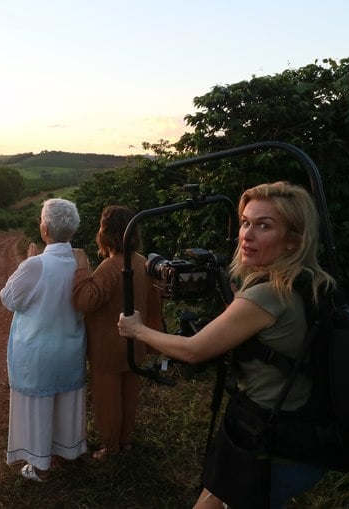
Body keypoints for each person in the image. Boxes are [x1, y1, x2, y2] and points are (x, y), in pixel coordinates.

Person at [117, 182, 336, 508]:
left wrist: (138, 330)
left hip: (274, 445)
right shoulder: (309, 279)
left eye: (265, 225)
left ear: (294, 240)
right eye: (246, 222)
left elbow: (193, 350)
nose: (247, 234)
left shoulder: (266, 294)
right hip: (298, 432)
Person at [0, 198, 89, 482]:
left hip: (38, 353)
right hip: (71, 348)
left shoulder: (35, 265)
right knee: (64, 403)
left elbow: (9, 299)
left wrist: (27, 264)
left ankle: (39, 465)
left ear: (44, 229)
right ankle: (64, 453)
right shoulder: (81, 264)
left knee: (39, 409)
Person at [71, 205, 162, 461]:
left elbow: (86, 301)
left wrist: (81, 270)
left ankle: (111, 449)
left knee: (108, 401)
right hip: (136, 344)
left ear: (106, 233)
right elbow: (155, 305)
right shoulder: (143, 262)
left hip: (108, 351)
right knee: (129, 397)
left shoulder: (110, 267)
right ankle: (126, 442)